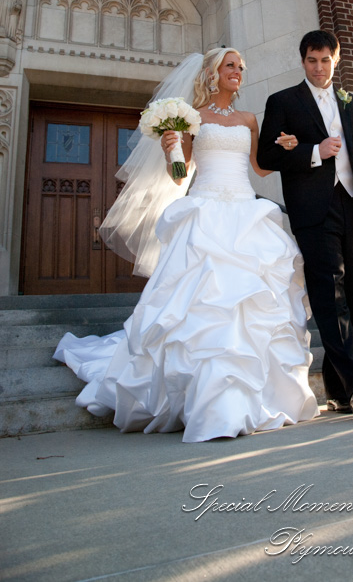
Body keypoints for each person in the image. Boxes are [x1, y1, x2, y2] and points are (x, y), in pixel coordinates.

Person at [54, 49, 319, 442]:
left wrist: (286, 147)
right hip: (206, 212)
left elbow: (261, 168)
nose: (237, 72)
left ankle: (250, 397)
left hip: (246, 212)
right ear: (213, 73)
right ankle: (206, 400)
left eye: (241, 67)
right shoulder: (192, 117)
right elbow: (180, 176)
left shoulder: (249, 119)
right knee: (206, 303)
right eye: (231, 66)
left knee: (249, 303)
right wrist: (171, 149)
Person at [257, 30, 353, 419]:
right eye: (312, 60)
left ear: (336, 60)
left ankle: (339, 392)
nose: (319, 67)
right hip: (313, 211)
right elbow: (267, 156)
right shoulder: (283, 102)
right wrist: (313, 152)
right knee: (329, 294)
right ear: (302, 60)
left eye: (325, 60)